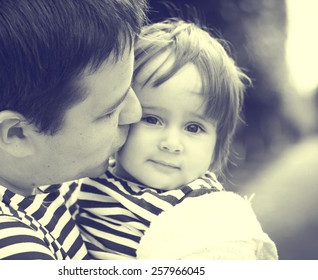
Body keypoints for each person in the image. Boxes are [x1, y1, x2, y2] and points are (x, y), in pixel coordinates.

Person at [0, 0, 147, 260]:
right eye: (108, 112)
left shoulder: (25, 171)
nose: (136, 112)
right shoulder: (2, 251)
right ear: (17, 134)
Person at [75, 18, 278, 260]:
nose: (171, 144)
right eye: (152, 119)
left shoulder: (210, 217)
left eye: (193, 128)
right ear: (120, 114)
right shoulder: (87, 179)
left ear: (217, 145)